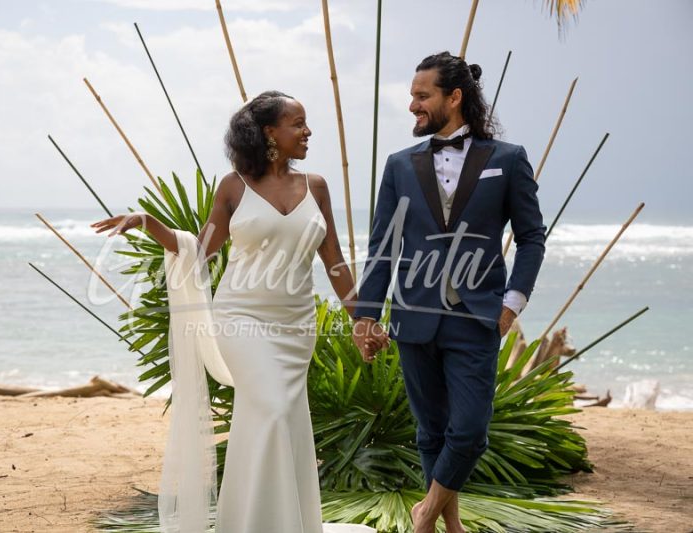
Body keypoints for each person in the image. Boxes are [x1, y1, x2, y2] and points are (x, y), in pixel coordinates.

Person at [92, 90, 385, 533]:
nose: (308, 132)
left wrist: (361, 320)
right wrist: (149, 223)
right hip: (241, 321)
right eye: (298, 123)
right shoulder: (234, 186)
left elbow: (334, 262)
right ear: (269, 132)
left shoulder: (317, 187)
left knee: (281, 417)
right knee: (268, 409)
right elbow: (199, 251)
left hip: (296, 325)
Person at [352, 52, 546, 533]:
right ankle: (451, 523)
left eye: (422, 96)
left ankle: (424, 515)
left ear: (453, 98)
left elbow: (531, 238)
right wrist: (366, 316)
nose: (413, 106)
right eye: (412, 96)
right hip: (414, 317)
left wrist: (511, 305)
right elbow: (384, 246)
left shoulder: (507, 159)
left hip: (478, 316)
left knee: (470, 430)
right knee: (432, 429)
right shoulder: (399, 165)